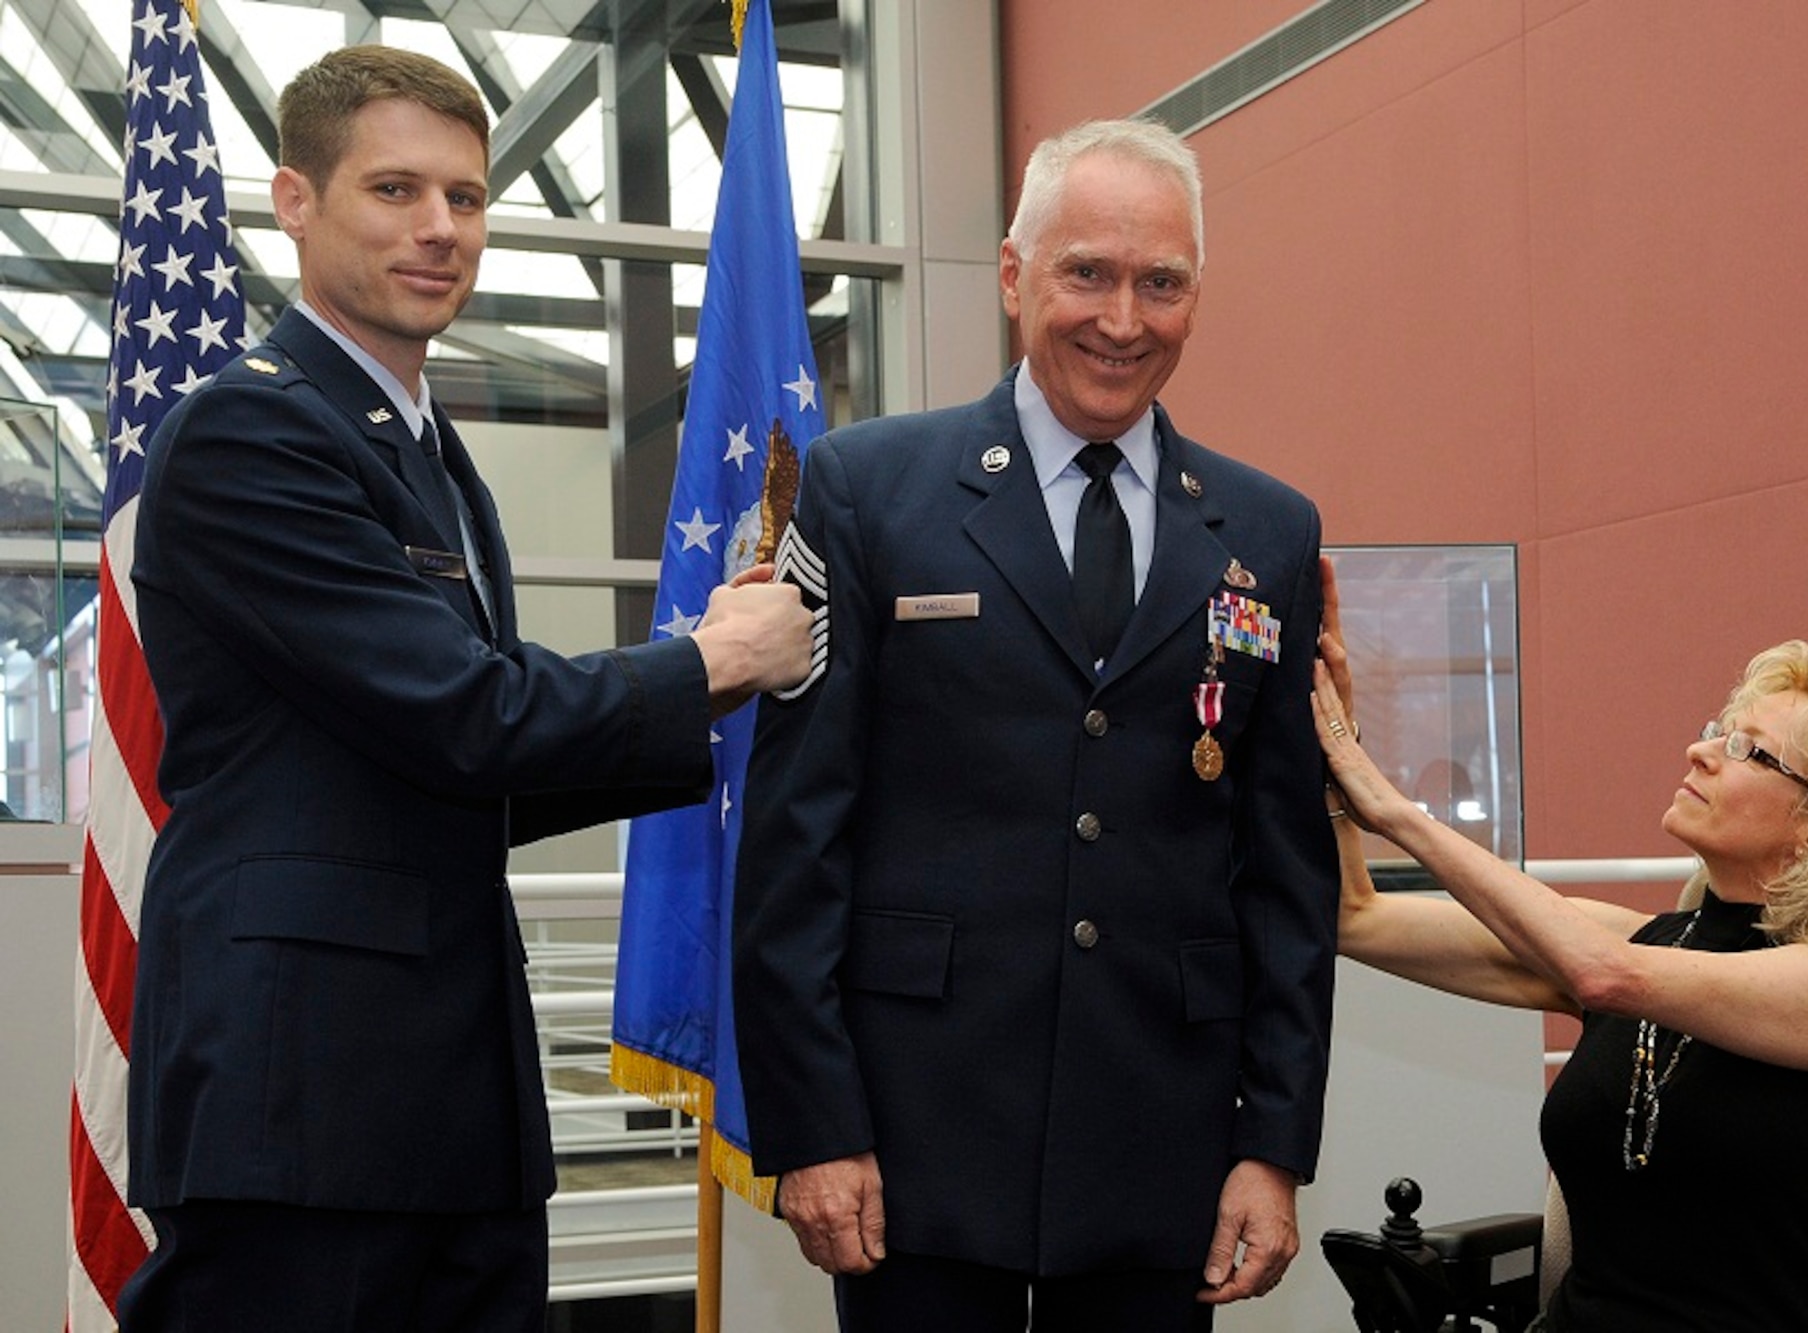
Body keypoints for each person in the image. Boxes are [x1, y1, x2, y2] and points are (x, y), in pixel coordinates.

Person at [115, 46, 811, 1333]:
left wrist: (703, 703)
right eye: (394, 190)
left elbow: (449, 764)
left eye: (468, 198)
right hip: (303, 1103)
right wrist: (712, 664)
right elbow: (466, 711)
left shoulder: (423, 448)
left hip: (442, 1099)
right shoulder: (247, 433)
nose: (440, 230)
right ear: (294, 201)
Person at [733, 118, 1339, 1331]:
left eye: (1159, 282)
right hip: (910, 1143)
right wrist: (815, 1127)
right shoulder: (866, 491)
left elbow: (1284, 873)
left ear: (1194, 296)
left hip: (1158, 1143)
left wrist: (1271, 1147)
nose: (1123, 318)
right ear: (1014, 276)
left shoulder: (1268, 531)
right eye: (1087, 273)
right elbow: (795, 842)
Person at [1312, 557, 1808, 1332]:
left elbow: (1605, 976)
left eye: (1748, 750)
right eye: (1715, 733)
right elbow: (1354, 917)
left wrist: (1394, 808)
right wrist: (1337, 747)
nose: (1701, 752)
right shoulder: (1652, 941)